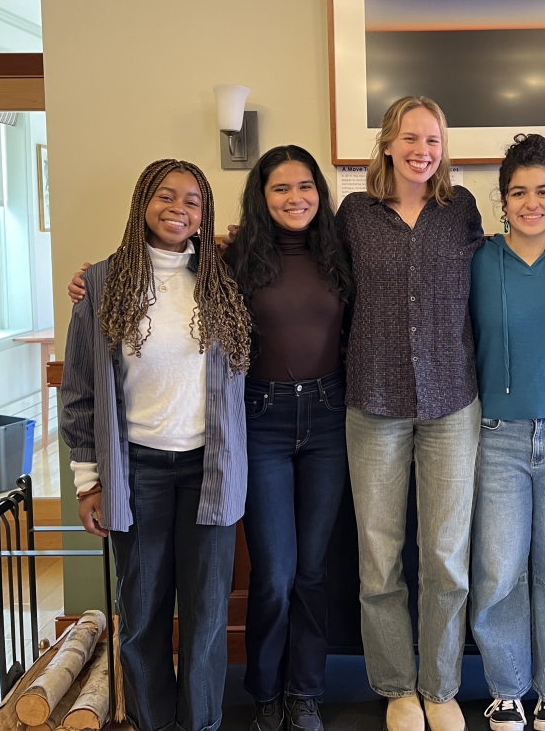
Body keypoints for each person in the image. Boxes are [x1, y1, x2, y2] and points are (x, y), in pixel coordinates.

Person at [335, 96, 545, 731]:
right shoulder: (355, 215)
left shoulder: (461, 212)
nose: (423, 150)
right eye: (411, 137)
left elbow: (516, 260)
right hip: (375, 400)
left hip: (452, 402)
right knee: (379, 554)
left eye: (434, 140)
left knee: (446, 555)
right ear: (388, 142)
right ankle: (396, 686)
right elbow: (318, 278)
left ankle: (441, 684)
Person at [61, 158, 253, 731]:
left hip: (210, 469)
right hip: (135, 470)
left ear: (204, 214)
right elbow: (79, 394)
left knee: (206, 615)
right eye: (166, 196)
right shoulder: (99, 284)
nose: (179, 208)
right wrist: (87, 480)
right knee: (142, 614)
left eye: (193, 200)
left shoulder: (223, 280)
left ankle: (200, 724)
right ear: (143, 202)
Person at [223, 146, 353, 731]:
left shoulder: (340, 254)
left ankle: (305, 693)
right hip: (261, 420)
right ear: (261, 196)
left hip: (329, 417)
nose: (295, 198)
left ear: (319, 194)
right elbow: (161, 267)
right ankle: (265, 690)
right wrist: (88, 283)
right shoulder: (232, 259)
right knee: (273, 573)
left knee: (312, 571)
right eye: (280, 188)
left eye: (305, 186)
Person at [467, 135, 545, 731]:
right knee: (498, 568)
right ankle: (506, 686)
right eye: (518, 191)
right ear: (503, 199)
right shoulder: (478, 258)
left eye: (543, 190)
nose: (531, 202)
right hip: (497, 435)